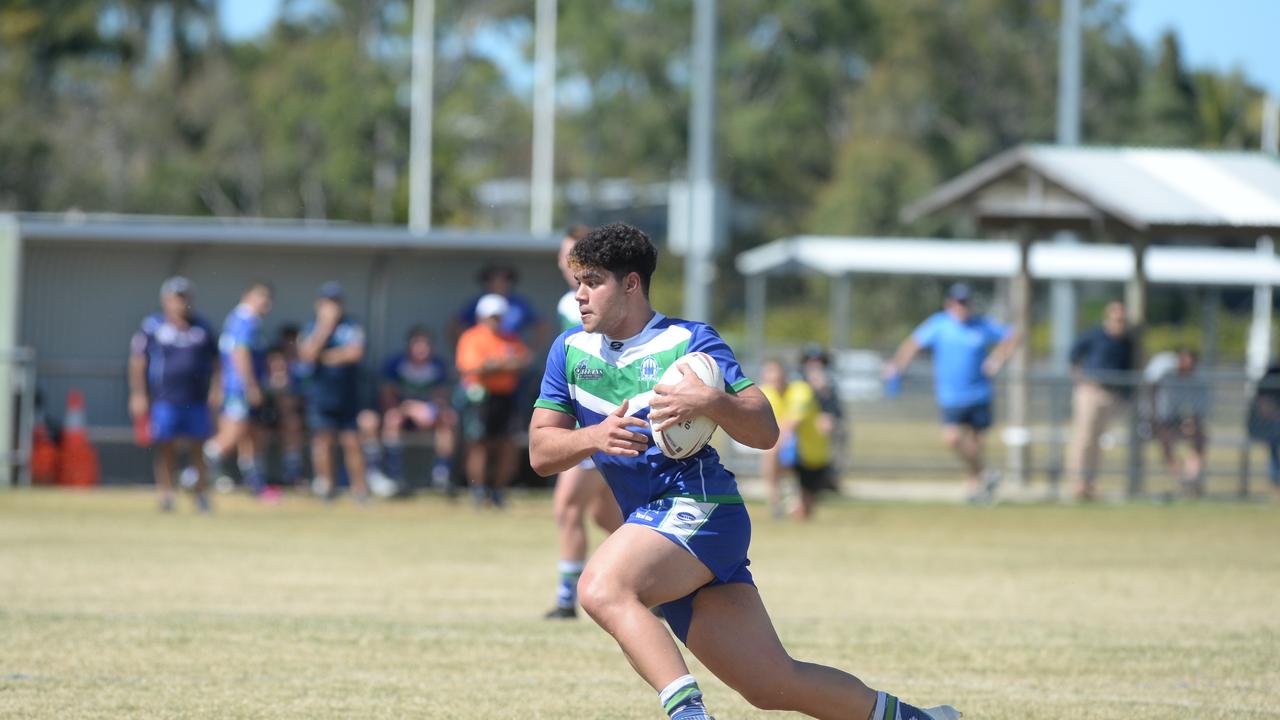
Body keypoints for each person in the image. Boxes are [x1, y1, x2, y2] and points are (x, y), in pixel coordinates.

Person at [529, 223, 959, 720]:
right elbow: (541, 453)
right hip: (651, 523)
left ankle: (689, 716)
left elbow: (764, 429)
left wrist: (711, 399)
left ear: (631, 284)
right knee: (772, 683)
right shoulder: (569, 351)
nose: (579, 294)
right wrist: (592, 436)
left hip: (703, 508)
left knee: (603, 587)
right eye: (577, 280)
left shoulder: (689, 342)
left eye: (593, 281)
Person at [545, 225, 623, 619]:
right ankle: (657, 584)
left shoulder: (588, 305)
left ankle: (565, 600)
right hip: (588, 418)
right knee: (606, 514)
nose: (565, 260)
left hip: (594, 421)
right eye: (562, 254)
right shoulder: (568, 301)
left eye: (572, 252)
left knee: (567, 507)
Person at [884, 283, 1018, 502]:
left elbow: (1011, 336)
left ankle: (977, 487)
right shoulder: (939, 325)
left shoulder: (981, 325)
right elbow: (912, 344)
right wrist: (896, 365)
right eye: (958, 303)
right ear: (949, 304)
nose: (962, 307)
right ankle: (985, 474)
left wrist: (997, 360)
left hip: (979, 393)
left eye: (966, 303)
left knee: (976, 443)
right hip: (951, 395)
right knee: (952, 438)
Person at [128, 276, 219, 512]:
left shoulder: (202, 328)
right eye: (175, 299)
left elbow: (216, 362)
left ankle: (201, 494)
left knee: (198, 447)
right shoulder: (153, 326)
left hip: (196, 399)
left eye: (184, 298)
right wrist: (138, 394)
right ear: (165, 300)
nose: (180, 304)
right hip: (165, 399)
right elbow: (138, 361)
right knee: (165, 447)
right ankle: (167, 494)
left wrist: (216, 391)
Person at [358, 325, 457, 496]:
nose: (421, 348)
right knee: (392, 418)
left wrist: (429, 410)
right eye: (417, 343)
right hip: (401, 413)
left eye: (426, 344)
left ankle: (441, 475)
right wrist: (410, 408)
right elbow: (387, 398)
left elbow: (441, 398)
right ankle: (395, 475)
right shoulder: (396, 363)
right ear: (409, 346)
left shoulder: (438, 365)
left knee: (448, 419)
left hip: (427, 415)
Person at [204, 281, 277, 502]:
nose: (264, 302)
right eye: (259, 297)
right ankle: (195, 473)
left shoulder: (242, 320)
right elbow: (240, 352)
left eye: (267, 298)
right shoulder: (245, 320)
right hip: (239, 389)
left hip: (237, 387)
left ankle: (256, 483)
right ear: (247, 296)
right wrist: (251, 386)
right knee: (233, 433)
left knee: (252, 435)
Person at [455, 293, 531, 507]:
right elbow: (473, 367)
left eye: (499, 316)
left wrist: (494, 365)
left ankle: (498, 490)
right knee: (478, 443)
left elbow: (523, 360)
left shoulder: (510, 338)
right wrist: (504, 364)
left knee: (506, 443)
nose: (495, 321)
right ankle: (478, 491)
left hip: (506, 396)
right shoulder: (472, 337)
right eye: (491, 316)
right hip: (481, 396)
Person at [298, 281, 368, 502]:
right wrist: (324, 329)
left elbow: (354, 353)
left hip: (347, 393)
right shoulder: (311, 327)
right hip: (321, 394)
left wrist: (326, 357)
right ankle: (326, 488)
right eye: (328, 302)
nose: (333, 307)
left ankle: (360, 490)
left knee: (352, 441)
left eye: (336, 302)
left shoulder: (352, 326)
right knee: (323, 441)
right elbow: (307, 354)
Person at [1067, 301, 1136, 501]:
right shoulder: (1095, 334)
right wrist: (1080, 380)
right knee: (1084, 438)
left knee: (1098, 441)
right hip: (1090, 390)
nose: (1118, 322)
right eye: (1115, 317)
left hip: (1111, 394)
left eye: (1122, 318)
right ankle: (1078, 482)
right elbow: (1073, 355)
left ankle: (1090, 483)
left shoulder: (1126, 342)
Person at [786, 347, 842, 520]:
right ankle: (793, 502)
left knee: (813, 480)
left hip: (816, 445)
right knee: (797, 475)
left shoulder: (828, 388)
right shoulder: (797, 386)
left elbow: (834, 416)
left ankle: (806, 503)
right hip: (796, 442)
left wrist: (823, 393)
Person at [1149, 348, 1209, 497]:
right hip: (1163, 420)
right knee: (1165, 442)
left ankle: (1192, 478)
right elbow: (1150, 388)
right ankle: (1182, 479)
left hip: (1183, 419)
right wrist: (1155, 422)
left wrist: (1192, 423)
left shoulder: (1197, 380)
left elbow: (1197, 409)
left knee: (1200, 439)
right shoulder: (1164, 373)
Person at [451, 263, 549, 347]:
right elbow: (455, 325)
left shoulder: (519, 303)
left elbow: (541, 325)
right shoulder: (477, 302)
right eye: (493, 278)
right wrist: (464, 349)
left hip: (511, 353)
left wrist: (529, 352)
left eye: (504, 278)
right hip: (482, 354)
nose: (498, 282)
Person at [757, 359, 790, 519]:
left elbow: (793, 422)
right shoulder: (763, 394)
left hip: (795, 442)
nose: (773, 377)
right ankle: (775, 500)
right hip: (774, 443)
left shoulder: (797, 391)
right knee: (771, 453)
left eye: (776, 372)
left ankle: (783, 498)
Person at [1247, 364, 1280, 500]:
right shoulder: (1269, 378)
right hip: (1269, 428)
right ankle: (1276, 482)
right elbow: (1263, 406)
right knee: (1274, 441)